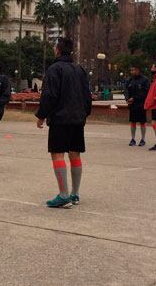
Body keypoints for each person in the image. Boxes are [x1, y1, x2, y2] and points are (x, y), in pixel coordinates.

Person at [36, 37, 92, 208]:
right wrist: (84, 114)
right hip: (77, 118)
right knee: (75, 154)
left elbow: (49, 95)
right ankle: (75, 194)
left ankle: (63, 195)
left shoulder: (54, 69)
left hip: (60, 118)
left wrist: (41, 115)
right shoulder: (79, 69)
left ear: (58, 50)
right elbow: (87, 96)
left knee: (57, 153)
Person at [124, 65, 149, 146]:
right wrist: (127, 99)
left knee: (142, 122)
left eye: (133, 70)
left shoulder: (145, 80)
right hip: (132, 105)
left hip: (141, 104)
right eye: (131, 70)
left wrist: (134, 98)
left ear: (138, 70)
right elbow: (126, 90)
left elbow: (145, 92)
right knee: (132, 122)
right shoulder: (129, 80)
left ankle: (143, 139)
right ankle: (133, 139)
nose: (132, 72)